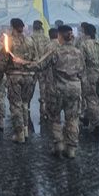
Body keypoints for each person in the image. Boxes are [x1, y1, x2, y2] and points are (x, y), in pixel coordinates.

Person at [14, 25, 85, 158]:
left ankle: (58, 145)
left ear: (59, 36)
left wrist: (21, 61)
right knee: (73, 119)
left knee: (55, 118)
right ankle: (71, 149)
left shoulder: (55, 52)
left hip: (57, 89)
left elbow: (39, 65)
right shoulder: (78, 52)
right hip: (75, 89)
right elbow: (82, 71)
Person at [7, 19, 38, 143]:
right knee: (25, 104)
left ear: (12, 27)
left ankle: (19, 133)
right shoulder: (30, 41)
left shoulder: (8, 41)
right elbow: (35, 59)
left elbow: (3, 60)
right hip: (28, 77)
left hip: (15, 76)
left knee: (16, 105)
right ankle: (25, 130)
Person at [79, 22, 99, 135]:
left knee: (91, 100)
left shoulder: (84, 44)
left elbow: (81, 62)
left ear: (85, 32)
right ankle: (86, 117)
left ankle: (97, 124)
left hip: (90, 75)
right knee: (95, 98)